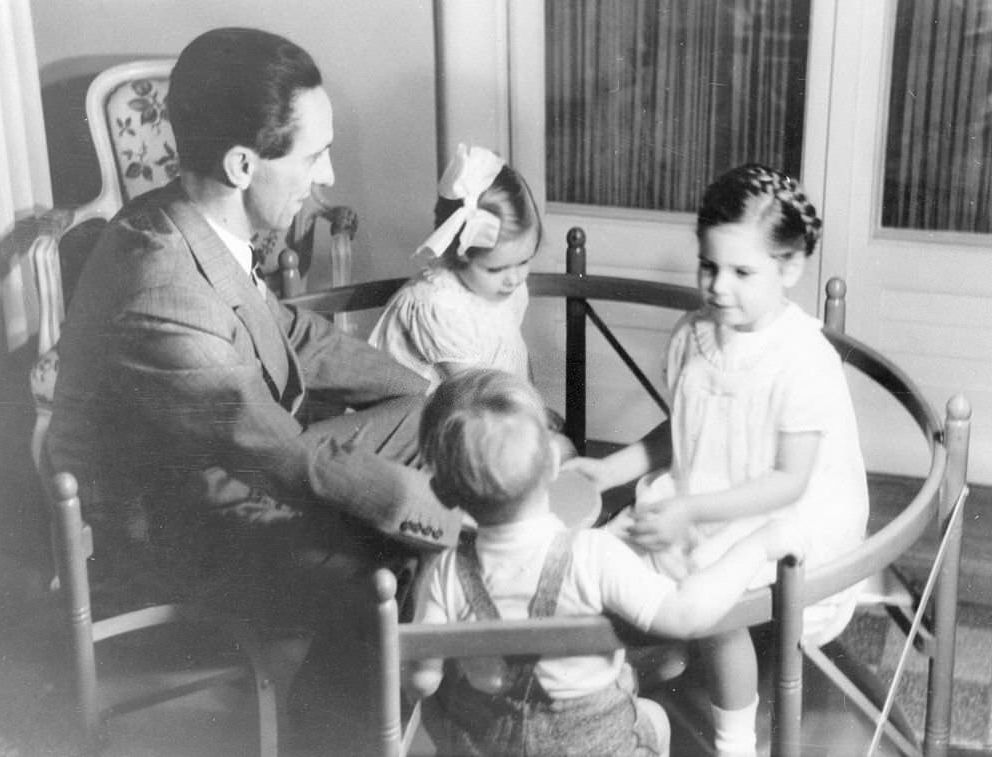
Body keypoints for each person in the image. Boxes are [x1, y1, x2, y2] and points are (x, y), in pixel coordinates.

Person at [45, 27, 460, 752]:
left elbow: (295, 335)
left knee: (446, 429)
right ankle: (342, 733)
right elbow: (284, 459)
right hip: (181, 528)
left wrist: (440, 394)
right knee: (399, 556)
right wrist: (426, 513)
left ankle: (418, 682)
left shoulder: (190, 217)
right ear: (242, 164)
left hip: (244, 461)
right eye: (313, 155)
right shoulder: (162, 287)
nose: (326, 174)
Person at [565, 163, 870, 756]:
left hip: (777, 511)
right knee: (605, 558)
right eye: (709, 266)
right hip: (702, 490)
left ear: (789, 268)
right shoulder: (696, 335)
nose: (718, 286)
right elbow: (685, 432)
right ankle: (627, 671)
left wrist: (691, 510)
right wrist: (610, 470)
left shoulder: (802, 359)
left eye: (741, 271)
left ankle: (735, 741)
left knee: (718, 603)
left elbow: (789, 480)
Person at [407, 368, 804, 757]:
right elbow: (686, 615)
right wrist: (757, 546)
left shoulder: (445, 571)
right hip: (592, 745)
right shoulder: (593, 554)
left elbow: (424, 680)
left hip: (487, 745)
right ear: (551, 467)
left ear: (442, 493)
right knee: (653, 718)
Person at [369, 143, 539, 392]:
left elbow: (513, 352)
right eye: (495, 269)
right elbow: (477, 396)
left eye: (524, 261)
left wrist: (534, 408)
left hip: (491, 409)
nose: (514, 279)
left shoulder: (505, 288)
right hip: (432, 416)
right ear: (457, 257)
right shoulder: (438, 305)